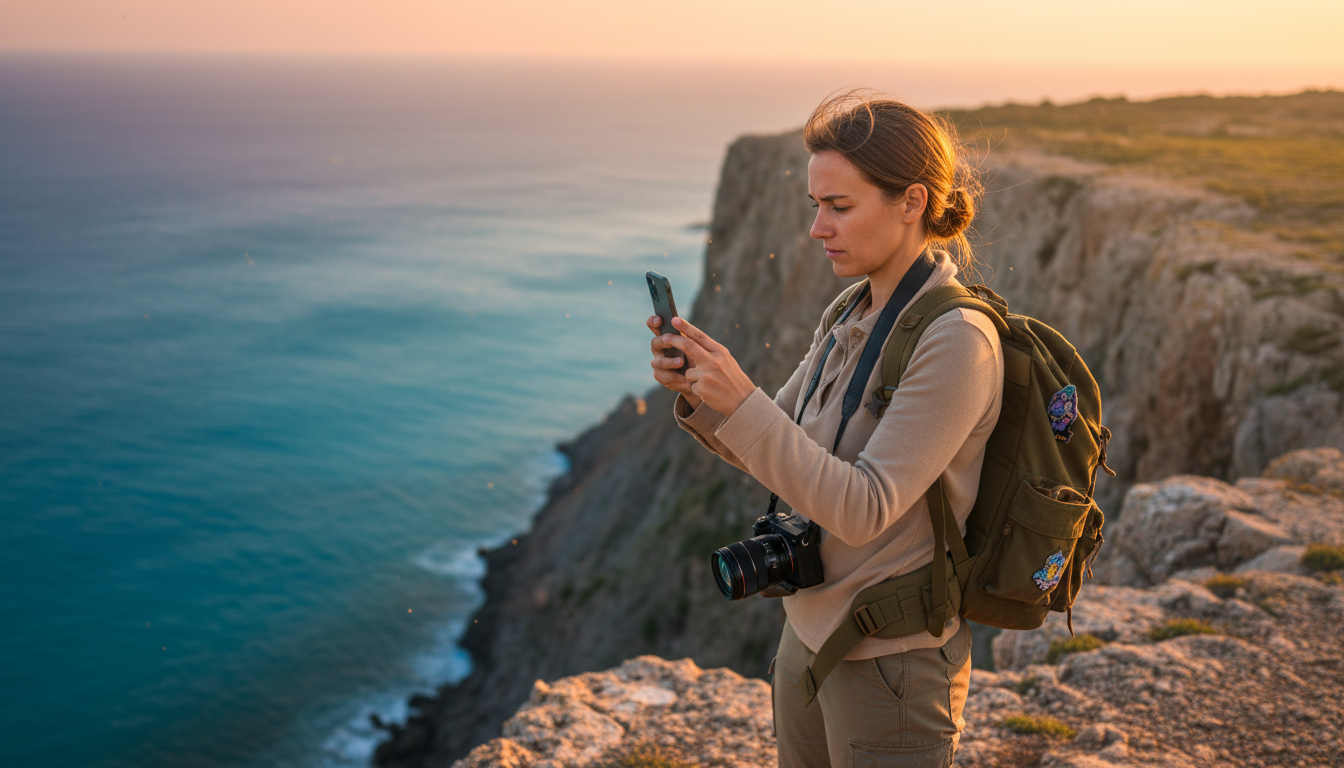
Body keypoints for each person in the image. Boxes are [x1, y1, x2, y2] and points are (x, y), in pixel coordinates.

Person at [647, 93, 1003, 767]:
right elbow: (775, 448)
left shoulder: (956, 340)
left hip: (891, 664)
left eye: (839, 206)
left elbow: (863, 509)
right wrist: (704, 392)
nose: (818, 228)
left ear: (912, 202)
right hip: (806, 633)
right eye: (816, 205)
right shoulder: (853, 307)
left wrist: (744, 399)